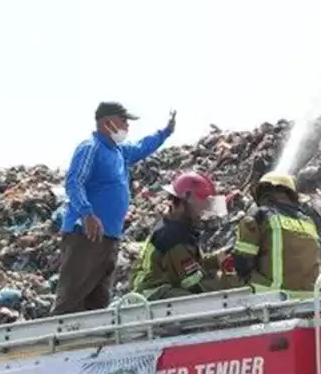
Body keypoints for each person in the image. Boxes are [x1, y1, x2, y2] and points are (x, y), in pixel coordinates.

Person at [53, 102, 177, 314]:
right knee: (72, 301)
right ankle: (63, 343)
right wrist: (87, 213)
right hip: (86, 235)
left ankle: (93, 344)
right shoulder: (90, 148)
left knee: (98, 302)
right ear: (107, 122)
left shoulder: (119, 151)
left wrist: (165, 132)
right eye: (123, 121)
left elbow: (141, 147)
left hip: (109, 237)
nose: (127, 126)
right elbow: (74, 182)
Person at [130, 172, 233, 300]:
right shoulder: (173, 237)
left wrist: (218, 259)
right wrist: (229, 283)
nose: (202, 213)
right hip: (153, 295)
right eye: (201, 206)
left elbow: (194, 265)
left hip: (156, 290)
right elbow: (193, 282)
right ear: (185, 202)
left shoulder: (176, 227)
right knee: (198, 300)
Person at [231, 171, 321, 298]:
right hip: (310, 298)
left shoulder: (259, 216)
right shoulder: (308, 222)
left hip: (272, 298)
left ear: (264, 193)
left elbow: (242, 262)